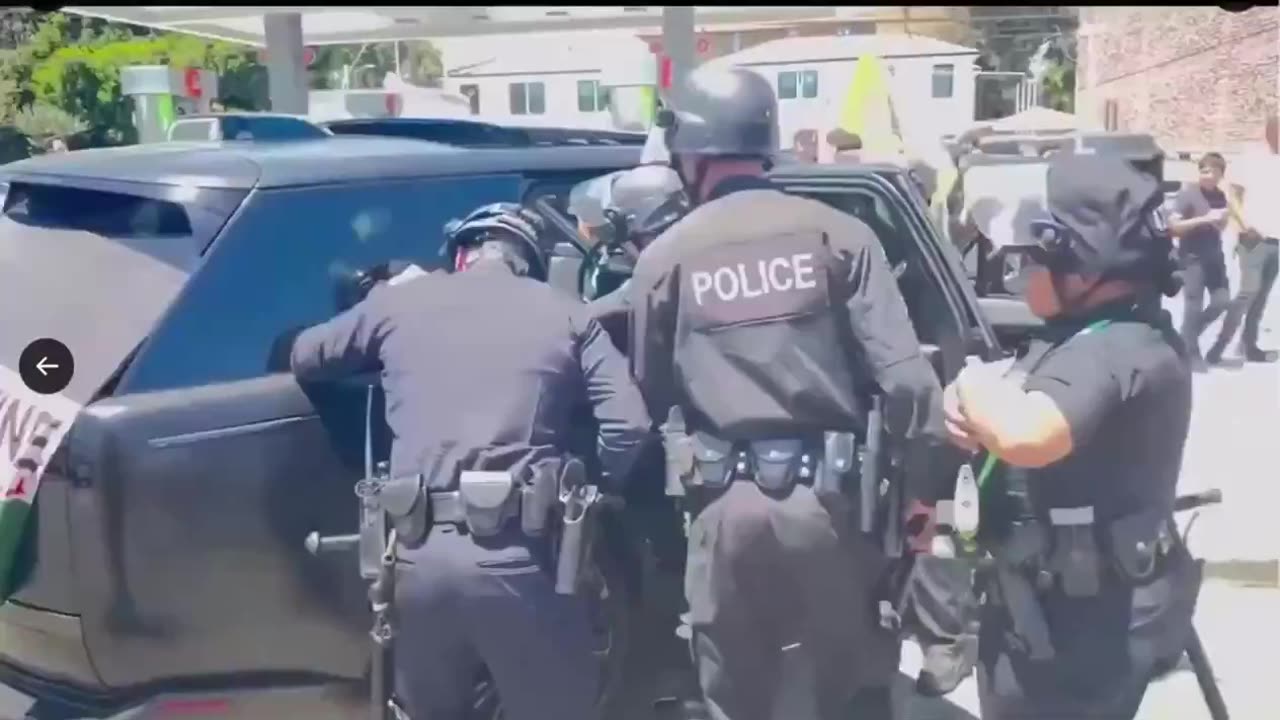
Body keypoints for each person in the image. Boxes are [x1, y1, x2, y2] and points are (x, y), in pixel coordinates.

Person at [628, 65, 948, 720]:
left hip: (723, 515)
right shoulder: (840, 236)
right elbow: (909, 384)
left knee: (733, 693)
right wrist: (920, 496)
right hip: (829, 511)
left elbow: (647, 398)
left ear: (688, 153)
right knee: (847, 684)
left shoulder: (665, 258)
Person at [289, 202, 653, 720]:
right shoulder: (567, 313)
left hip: (417, 562)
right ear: (527, 262)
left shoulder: (397, 305)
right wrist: (591, 490)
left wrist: (382, 307)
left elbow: (305, 355)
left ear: (462, 254)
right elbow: (629, 425)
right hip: (523, 562)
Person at [944, 153, 1196, 719]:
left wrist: (967, 386)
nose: (1019, 273)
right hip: (1059, 612)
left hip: (1080, 633)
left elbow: (1027, 434)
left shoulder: (1112, 349)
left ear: (1083, 270)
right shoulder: (1106, 335)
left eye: (1032, 259)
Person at [1206, 115, 1279, 364]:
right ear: (1270, 131)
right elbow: (1233, 196)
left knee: (1261, 297)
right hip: (1253, 239)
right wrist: (1245, 226)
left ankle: (1249, 346)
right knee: (1248, 291)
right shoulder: (1251, 159)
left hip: (1277, 240)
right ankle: (1219, 347)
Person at [1169, 152, 1232, 371]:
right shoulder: (1188, 194)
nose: (1208, 176)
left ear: (1221, 174)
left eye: (1213, 172)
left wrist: (1222, 221)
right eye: (1204, 171)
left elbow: (1221, 227)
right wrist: (1205, 219)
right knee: (1193, 307)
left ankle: (1188, 335)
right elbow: (1174, 228)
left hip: (1215, 256)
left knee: (1222, 301)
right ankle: (1191, 354)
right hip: (1192, 258)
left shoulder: (1220, 196)